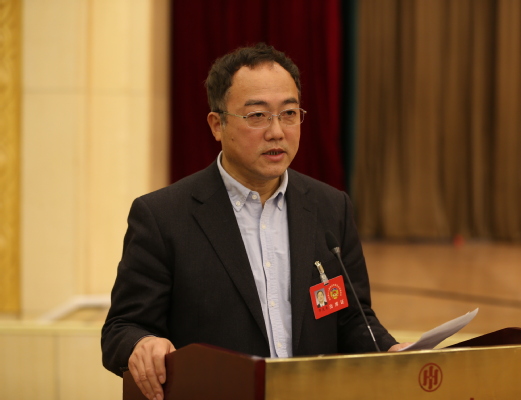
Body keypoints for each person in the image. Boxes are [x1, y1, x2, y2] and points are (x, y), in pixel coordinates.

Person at [101, 43, 407, 400]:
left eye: (289, 113)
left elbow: (352, 318)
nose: (277, 131)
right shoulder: (163, 216)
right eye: (257, 115)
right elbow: (121, 329)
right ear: (217, 125)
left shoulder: (329, 207)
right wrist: (142, 343)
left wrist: (391, 351)